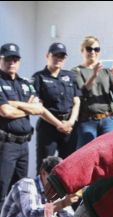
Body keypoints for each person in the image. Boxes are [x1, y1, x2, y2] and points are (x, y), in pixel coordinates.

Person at [1, 43, 67, 207]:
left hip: (23, 144)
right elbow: (5, 111)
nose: (12, 63)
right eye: (8, 59)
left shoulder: (24, 83)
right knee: (2, 189)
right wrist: (30, 109)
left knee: (21, 189)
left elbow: (39, 108)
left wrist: (16, 104)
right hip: (5, 145)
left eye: (15, 59)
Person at [32, 43, 80, 171]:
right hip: (49, 127)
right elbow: (38, 107)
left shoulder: (70, 76)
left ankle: (65, 192)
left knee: (69, 166)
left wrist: (70, 122)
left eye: (62, 56)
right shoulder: (38, 77)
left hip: (69, 127)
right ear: (47, 56)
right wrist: (59, 124)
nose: (59, 59)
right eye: (55, 55)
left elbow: (77, 101)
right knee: (44, 166)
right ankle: (42, 191)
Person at [72, 36, 113, 148]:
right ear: (82, 51)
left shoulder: (105, 70)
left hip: (108, 119)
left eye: (96, 49)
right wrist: (94, 74)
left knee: (110, 152)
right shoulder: (77, 71)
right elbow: (82, 92)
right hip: (87, 120)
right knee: (86, 155)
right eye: (89, 49)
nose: (93, 52)